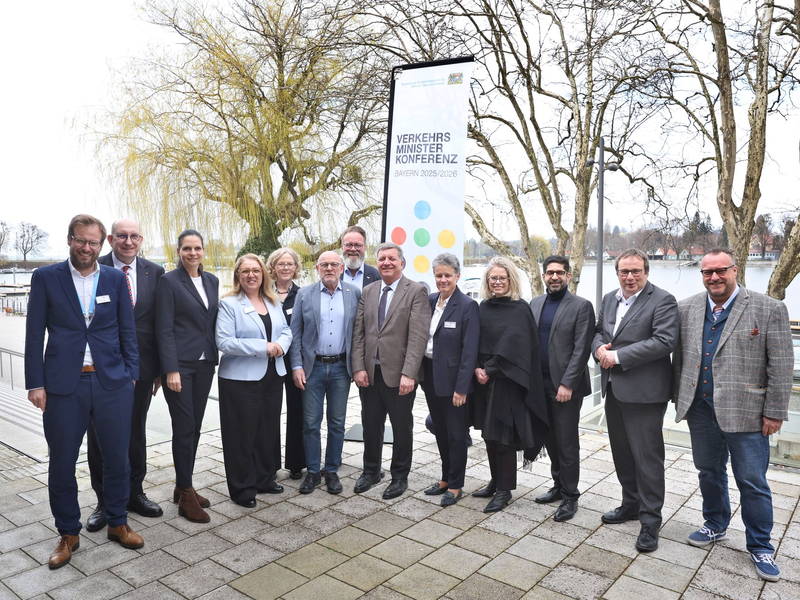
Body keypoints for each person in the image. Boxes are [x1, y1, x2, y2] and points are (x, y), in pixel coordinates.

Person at [24, 214, 144, 569]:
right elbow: (33, 336)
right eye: (80, 241)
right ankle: (68, 533)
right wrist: (35, 383)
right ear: (69, 239)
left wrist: (132, 376)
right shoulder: (46, 278)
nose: (86, 248)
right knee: (62, 461)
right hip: (63, 386)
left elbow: (128, 332)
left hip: (112, 383)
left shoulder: (114, 278)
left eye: (93, 242)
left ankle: (118, 522)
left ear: (102, 243)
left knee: (117, 458)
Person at [673, 248, 793, 582]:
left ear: (735, 270)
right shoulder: (687, 308)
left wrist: (775, 412)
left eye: (720, 270)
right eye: (707, 272)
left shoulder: (769, 309)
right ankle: (715, 525)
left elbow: (782, 365)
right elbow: (680, 358)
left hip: (749, 414)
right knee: (708, 472)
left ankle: (760, 546)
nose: (714, 277)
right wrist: (677, 397)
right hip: (700, 409)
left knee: (752, 482)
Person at [591, 248, 678, 553]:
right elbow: (599, 331)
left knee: (648, 459)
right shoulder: (609, 299)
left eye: (636, 271)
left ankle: (651, 521)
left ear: (646, 272)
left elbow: (664, 341)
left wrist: (617, 356)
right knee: (623, 454)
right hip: (614, 390)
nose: (629, 277)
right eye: (624, 271)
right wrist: (599, 349)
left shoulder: (663, 300)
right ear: (617, 272)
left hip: (645, 394)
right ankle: (630, 504)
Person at [85, 218, 165, 532]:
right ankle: (105, 501)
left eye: (134, 236)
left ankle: (134, 492)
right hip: (100, 369)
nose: (128, 241)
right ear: (110, 239)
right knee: (99, 436)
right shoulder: (94, 268)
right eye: (122, 236)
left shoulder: (154, 272)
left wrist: (158, 368)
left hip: (141, 368)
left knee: (135, 429)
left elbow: (159, 323)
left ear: (141, 239)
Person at [351, 242, 430, 499]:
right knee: (370, 425)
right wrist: (358, 367)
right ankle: (371, 471)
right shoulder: (368, 291)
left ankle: (399, 477)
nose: (386, 263)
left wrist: (410, 373)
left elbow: (418, 337)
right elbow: (359, 333)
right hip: (370, 375)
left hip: (399, 376)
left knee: (401, 427)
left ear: (401, 263)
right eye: (382, 258)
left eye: (391, 259)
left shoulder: (416, 291)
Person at [471, 257, 548, 513]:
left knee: (503, 436)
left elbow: (516, 348)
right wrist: (477, 369)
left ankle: (505, 490)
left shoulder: (520, 309)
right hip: (483, 381)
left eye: (502, 278)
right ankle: (495, 482)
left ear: (511, 280)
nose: (497, 282)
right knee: (488, 436)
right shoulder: (483, 307)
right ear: (487, 281)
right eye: (493, 278)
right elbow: (475, 341)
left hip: (507, 381)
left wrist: (489, 369)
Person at [216, 254, 292, 507]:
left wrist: (281, 344)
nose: (251, 275)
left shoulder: (272, 301)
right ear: (238, 275)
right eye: (245, 271)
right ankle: (242, 489)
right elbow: (225, 342)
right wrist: (264, 347)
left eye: (256, 271)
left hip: (272, 375)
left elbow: (286, 330)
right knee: (241, 435)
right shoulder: (229, 304)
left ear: (263, 274)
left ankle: (264, 479)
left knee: (267, 430)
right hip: (240, 379)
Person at [156, 229, 219, 523]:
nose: (193, 253)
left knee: (194, 427)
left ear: (203, 251)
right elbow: (164, 329)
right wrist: (170, 369)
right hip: (180, 366)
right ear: (178, 251)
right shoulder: (168, 282)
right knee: (183, 427)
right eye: (187, 248)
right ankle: (187, 496)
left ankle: (183, 486)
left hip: (205, 363)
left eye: (197, 248)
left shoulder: (212, 280)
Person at [290, 251, 361, 495]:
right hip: (313, 368)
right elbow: (295, 334)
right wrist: (297, 366)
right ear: (317, 268)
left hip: (342, 367)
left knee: (337, 423)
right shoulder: (304, 294)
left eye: (333, 264)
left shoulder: (354, 293)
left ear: (341, 268)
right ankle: (312, 472)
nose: (329, 268)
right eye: (324, 265)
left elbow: (359, 335)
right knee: (310, 423)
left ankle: (331, 470)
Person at [530, 255, 595, 522]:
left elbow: (581, 349)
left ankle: (570, 496)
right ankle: (557, 485)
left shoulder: (581, 306)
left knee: (567, 443)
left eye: (560, 272)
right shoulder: (534, 304)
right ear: (544, 276)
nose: (554, 277)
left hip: (566, 387)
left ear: (568, 276)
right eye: (550, 272)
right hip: (539, 384)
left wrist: (567, 383)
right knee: (549, 439)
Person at [420, 253, 479, 507]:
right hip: (430, 378)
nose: (443, 280)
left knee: (456, 435)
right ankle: (444, 478)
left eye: (447, 275)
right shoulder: (430, 301)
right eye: (438, 275)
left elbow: (470, 351)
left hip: (454, 382)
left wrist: (462, 388)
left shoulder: (467, 306)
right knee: (441, 431)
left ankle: (455, 485)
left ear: (457, 276)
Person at [267, 247, 306, 481]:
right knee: (270, 412)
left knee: (298, 411)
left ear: (296, 268)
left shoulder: (303, 294)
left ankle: (296, 463)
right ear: (273, 267)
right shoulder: (263, 294)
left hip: (296, 361)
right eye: (281, 264)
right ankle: (269, 464)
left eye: (290, 264)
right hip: (270, 359)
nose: (285, 268)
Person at [340, 225, 380, 290]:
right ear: (342, 247)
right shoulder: (334, 274)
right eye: (349, 245)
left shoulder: (376, 276)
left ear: (365, 248)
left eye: (358, 245)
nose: (353, 249)